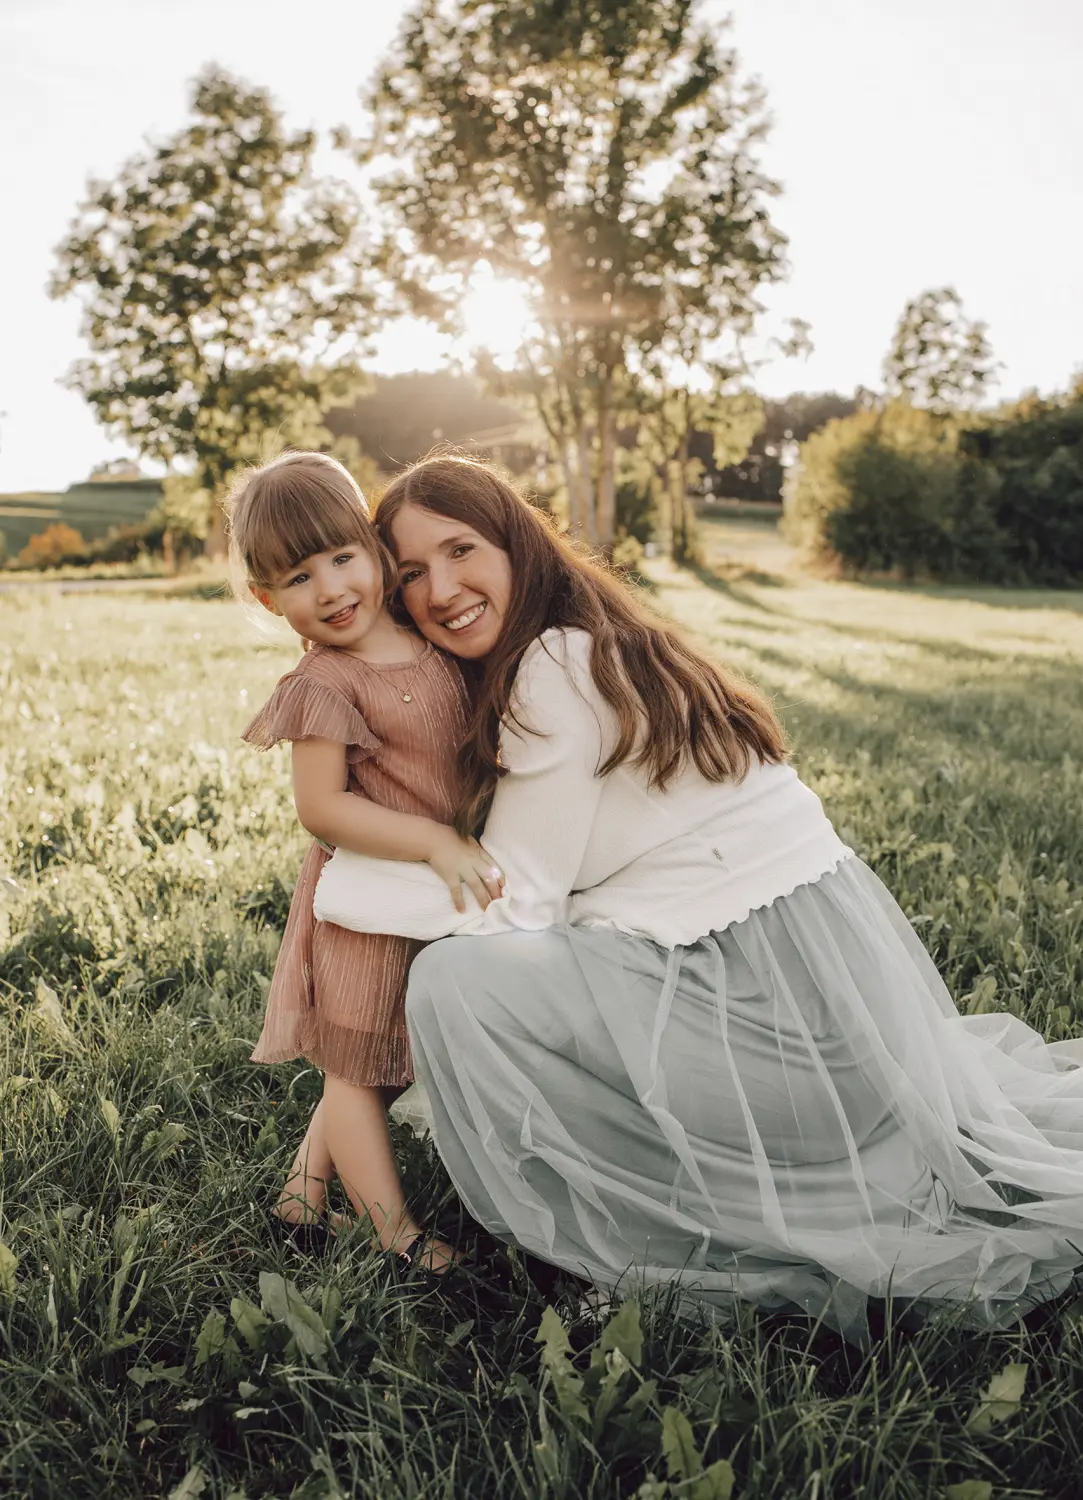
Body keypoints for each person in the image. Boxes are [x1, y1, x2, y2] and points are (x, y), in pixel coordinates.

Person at [314, 454, 1083, 1343]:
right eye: (409, 574)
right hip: (847, 1046)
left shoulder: (555, 666)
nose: (440, 589)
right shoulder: (598, 638)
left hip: (792, 1058)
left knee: (461, 981)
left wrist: (338, 890)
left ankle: (644, 1247)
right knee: (514, 968)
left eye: (459, 551)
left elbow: (515, 901)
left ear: (518, 546)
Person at [229, 451, 504, 1271]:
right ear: (266, 599)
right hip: (367, 904)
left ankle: (301, 1194)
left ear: (376, 550)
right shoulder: (324, 683)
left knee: (388, 1058)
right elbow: (322, 808)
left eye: (343, 558)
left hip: (428, 894)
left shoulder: (429, 637)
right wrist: (430, 838)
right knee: (357, 1072)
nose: (331, 589)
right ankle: (393, 1235)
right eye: (298, 578)